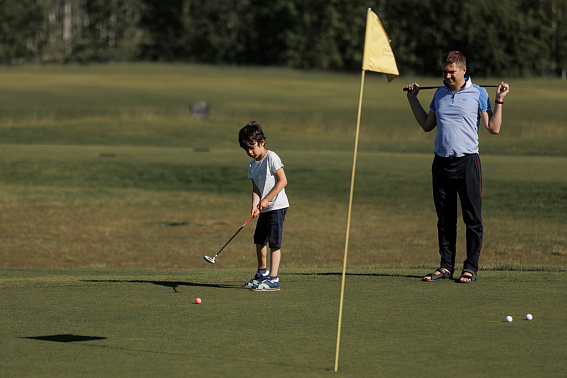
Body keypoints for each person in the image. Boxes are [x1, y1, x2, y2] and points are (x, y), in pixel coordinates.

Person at [406, 51, 509, 283]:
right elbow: (426, 125)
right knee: (445, 219)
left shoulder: (478, 93)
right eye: (445, 71)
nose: (448, 75)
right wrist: (413, 98)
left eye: (452, 72)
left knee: (472, 219)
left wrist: (499, 100)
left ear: (464, 70)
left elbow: (493, 127)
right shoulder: (439, 93)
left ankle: (470, 267)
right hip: (441, 162)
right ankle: (446, 266)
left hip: (467, 163)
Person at [238, 121, 289, 291]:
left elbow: (283, 181)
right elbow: (255, 189)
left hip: (277, 206)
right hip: (264, 207)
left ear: (262, 142)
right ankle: (262, 273)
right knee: (259, 240)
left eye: (252, 147)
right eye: (246, 150)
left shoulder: (271, 157)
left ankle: (273, 279)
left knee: (274, 242)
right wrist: (255, 205)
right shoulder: (252, 166)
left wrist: (267, 200)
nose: (250, 152)